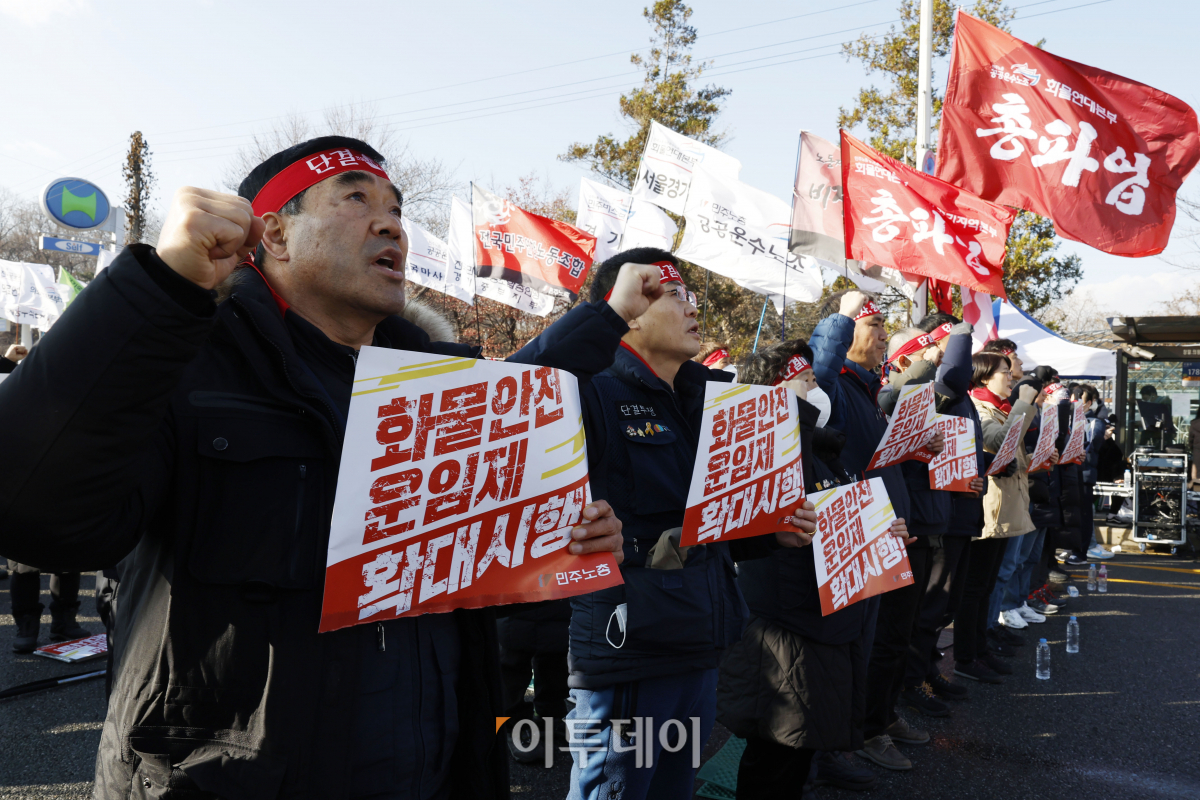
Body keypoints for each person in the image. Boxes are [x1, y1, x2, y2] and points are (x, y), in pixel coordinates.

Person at [0, 136, 639, 800]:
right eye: (355, 197)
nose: (391, 221)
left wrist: (554, 544)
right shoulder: (184, 362)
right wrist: (158, 285)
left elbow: (462, 585)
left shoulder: (440, 397)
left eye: (395, 207)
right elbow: (29, 508)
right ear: (272, 233)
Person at [564, 249, 818, 800]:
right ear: (628, 307)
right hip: (630, 650)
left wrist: (766, 530)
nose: (692, 307)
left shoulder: (705, 402)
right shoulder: (593, 392)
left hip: (700, 639)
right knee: (615, 790)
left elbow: (706, 523)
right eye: (674, 294)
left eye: (691, 294)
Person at [716, 341, 911, 799]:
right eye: (806, 381)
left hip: (826, 624)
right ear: (776, 392)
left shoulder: (823, 450)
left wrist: (881, 530)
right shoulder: (770, 449)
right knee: (776, 756)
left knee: (796, 753)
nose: (817, 389)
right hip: (790, 627)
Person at [810, 290, 934, 772]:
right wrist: (840, 317)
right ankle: (853, 735)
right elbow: (819, 377)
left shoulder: (868, 391)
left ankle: (876, 721)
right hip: (856, 532)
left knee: (886, 638)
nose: (884, 337)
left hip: (888, 528)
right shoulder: (835, 384)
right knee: (860, 643)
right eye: (874, 328)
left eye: (885, 329)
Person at [901, 315, 987, 712]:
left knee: (944, 604)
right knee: (930, 604)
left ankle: (927, 671)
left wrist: (977, 478)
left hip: (955, 507)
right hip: (934, 511)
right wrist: (960, 334)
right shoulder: (938, 387)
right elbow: (952, 372)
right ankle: (912, 681)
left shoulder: (962, 397)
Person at [954, 354, 1037, 685]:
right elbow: (1000, 442)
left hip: (1005, 511)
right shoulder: (981, 407)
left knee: (987, 586)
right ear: (984, 378)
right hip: (989, 513)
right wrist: (1024, 403)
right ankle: (966, 655)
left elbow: (1010, 454)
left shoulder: (999, 408)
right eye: (1006, 373)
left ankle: (979, 648)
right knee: (974, 588)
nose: (1012, 379)